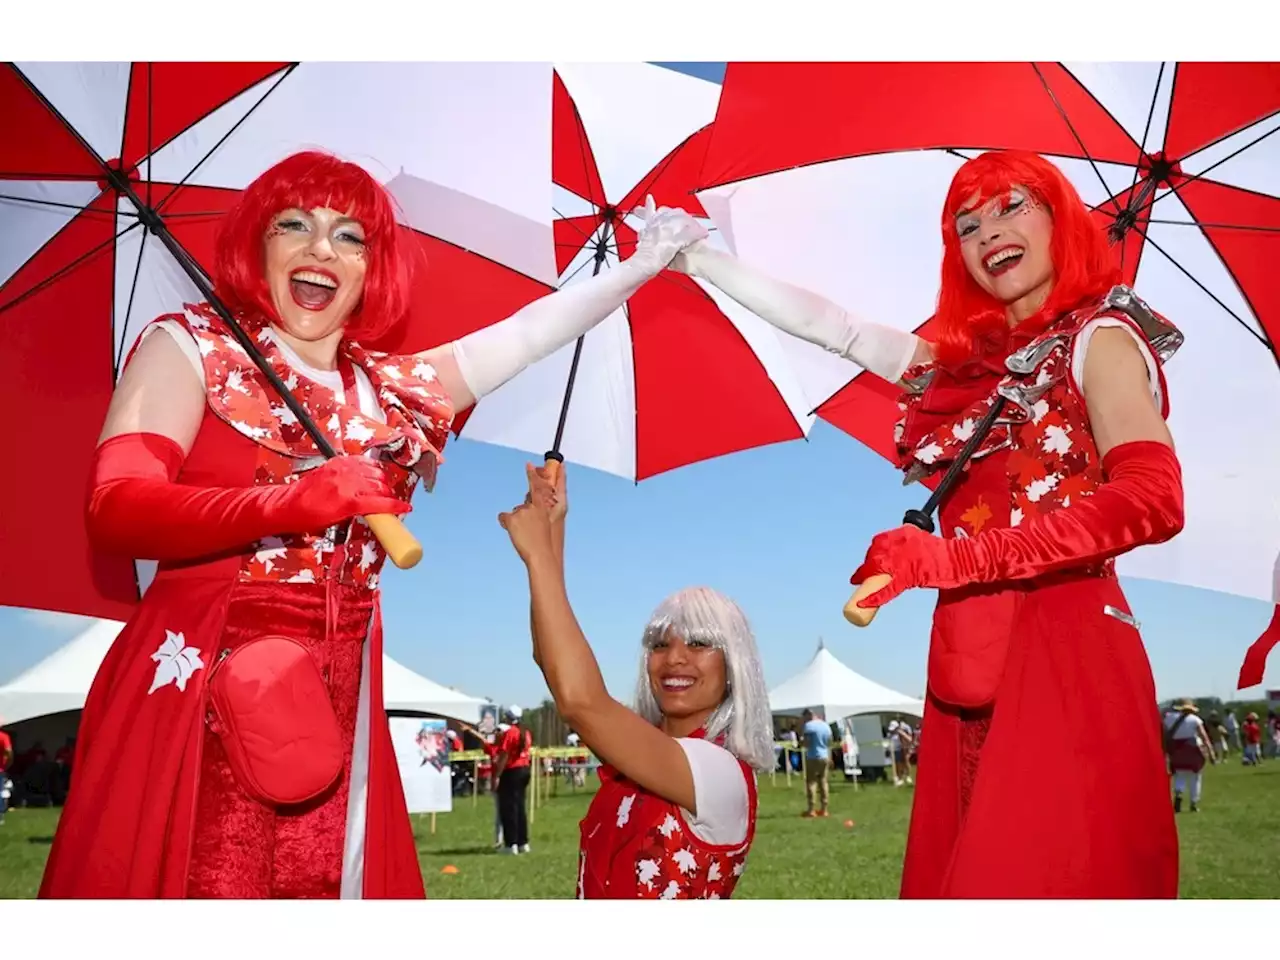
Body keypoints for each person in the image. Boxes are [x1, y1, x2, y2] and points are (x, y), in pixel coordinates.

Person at [39, 150, 706, 900]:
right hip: (202, 684)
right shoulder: (188, 345)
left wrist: (640, 265)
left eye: (349, 235)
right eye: (294, 224)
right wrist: (289, 501)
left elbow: (526, 336)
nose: (322, 247)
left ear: (371, 266)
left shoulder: (392, 390)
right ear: (259, 246)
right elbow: (116, 506)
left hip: (341, 703)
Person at [659, 149, 1186, 898]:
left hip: (1068, 650)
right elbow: (838, 329)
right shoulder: (966, 372)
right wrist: (707, 263)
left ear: (1060, 218)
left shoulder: (1099, 340)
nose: (988, 233)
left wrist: (948, 561)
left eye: (1012, 207)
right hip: (968, 659)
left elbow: (1153, 498)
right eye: (967, 224)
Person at [498, 463, 775, 899]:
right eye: (659, 644)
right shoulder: (644, 749)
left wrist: (537, 557)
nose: (674, 659)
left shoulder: (720, 772)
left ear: (734, 665)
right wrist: (551, 528)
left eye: (700, 643)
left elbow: (580, 700)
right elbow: (553, 665)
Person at [492, 707, 533, 855]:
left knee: (508, 808)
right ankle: (523, 842)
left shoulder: (510, 733)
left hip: (511, 772)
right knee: (520, 807)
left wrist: (497, 775)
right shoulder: (526, 732)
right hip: (524, 770)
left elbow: (504, 756)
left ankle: (511, 844)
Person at [1163, 700, 1215, 813]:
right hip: (1193, 749)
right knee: (1195, 777)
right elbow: (1204, 737)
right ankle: (1193, 803)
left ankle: (1178, 795)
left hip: (1176, 750)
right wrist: (1211, 752)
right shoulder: (1195, 720)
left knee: (1179, 775)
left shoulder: (1169, 719)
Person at [800, 709, 831, 818]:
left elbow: (807, 743)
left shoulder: (809, 726)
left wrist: (801, 742)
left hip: (813, 756)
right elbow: (829, 741)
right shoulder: (826, 725)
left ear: (808, 716)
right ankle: (824, 809)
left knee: (811, 782)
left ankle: (811, 809)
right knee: (823, 781)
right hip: (824, 755)